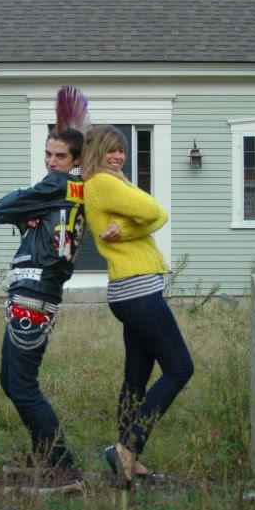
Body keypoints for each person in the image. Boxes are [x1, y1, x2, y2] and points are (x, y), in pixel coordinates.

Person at [82, 125, 194, 489]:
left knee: (136, 378)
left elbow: (152, 218)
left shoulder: (109, 183)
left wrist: (125, 229)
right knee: (180, 368)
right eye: (110, 150)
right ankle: (127, 447)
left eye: (122, 150)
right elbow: (156, 211)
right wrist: (134, 227)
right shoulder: (103, 183)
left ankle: (128, 460)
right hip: (138, 290)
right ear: (96, 153)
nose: (117, 156)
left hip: (129, 290)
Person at [0, 86, 89, 493]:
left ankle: (64, 469)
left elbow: (1, 208)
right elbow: (25, 218)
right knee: (9, 379)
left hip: (35, 291)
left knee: (22, 384)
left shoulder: (56, 186)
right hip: (37, 289)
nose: (51, 162)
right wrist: (28, 216)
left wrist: (23, 207)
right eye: (48, 154)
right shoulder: (72, 190)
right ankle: (45, 458)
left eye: (60, 156)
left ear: (76, 160)